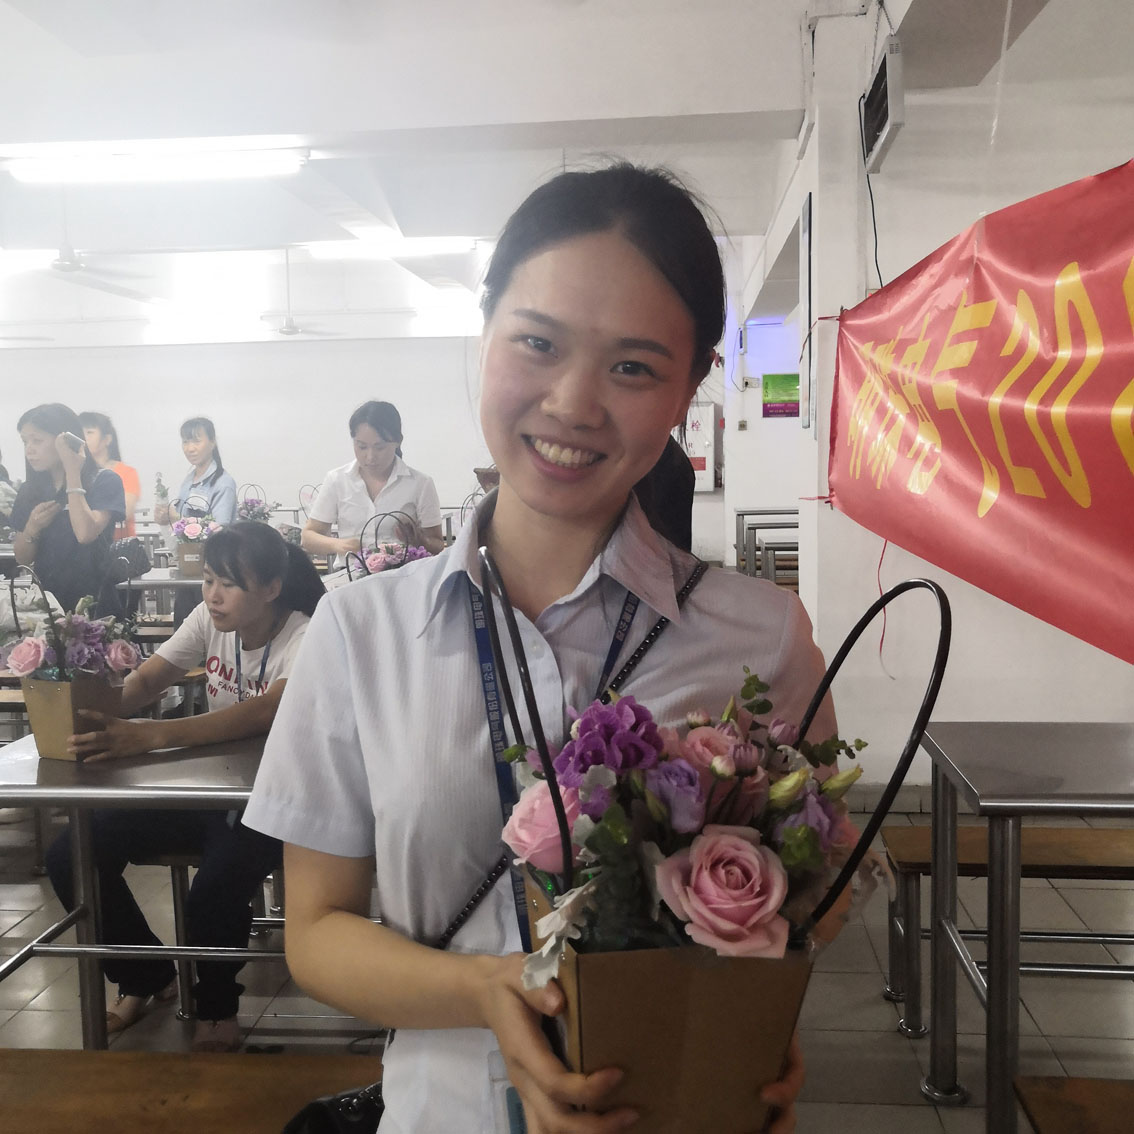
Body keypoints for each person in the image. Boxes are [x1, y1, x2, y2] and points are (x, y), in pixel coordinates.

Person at [244, 165, 828, 1132]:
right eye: (538, 343)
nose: (573, 403)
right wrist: (488, 990)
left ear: (688, 391)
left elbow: (812, 888)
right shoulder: (360, 634)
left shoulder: (763, 637)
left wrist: (756, 1016)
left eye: (633, 367)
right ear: (484, 335)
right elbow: (314, 932)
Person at [45, 522, 325, 1052]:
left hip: (274, 799)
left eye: (229, 584)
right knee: (71, 856)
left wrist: (151, 736)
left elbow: (266, 711)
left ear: (271, 588)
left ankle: (216, 1010)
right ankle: (146, 977)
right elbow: (148, 681)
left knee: (215, 887)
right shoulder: (207, 619)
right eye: (209, 579)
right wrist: (86, 715)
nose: (213, 595)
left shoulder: (306, 635)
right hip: (209, 790)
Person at [9, 403, 125, 613]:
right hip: (47, 604)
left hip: (96, 602)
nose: (29, 449)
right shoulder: (30, 490)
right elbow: (22, 558)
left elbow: (85, 534)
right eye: (25, 441)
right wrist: (32, 527)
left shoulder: (105, 480)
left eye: (37, 440)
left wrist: (72, 470)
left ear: (65, 440)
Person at [301, 400, 444, 566]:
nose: (370, 457)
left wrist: (418, 539)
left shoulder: (420, 484)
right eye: (362, 447)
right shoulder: (337, 480)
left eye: (380, 447)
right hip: (351, 575)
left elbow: (438, 546)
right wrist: (340, 545)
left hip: (403, 576)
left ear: (398, 441)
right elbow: (308, 538)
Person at [155, 417, 237, 526]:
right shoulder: (189, 480)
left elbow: (219, 529)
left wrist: (177, 517)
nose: (190, 449)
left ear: (212, 442)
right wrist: (165, 518)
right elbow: (181, 520)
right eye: (185, 442)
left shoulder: (223, 484)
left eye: (196, 441)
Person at [79, 411, 141, 539]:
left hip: (116, 544)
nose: (83, 437)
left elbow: (126, 510)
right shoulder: (76, 472)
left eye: (89, 432)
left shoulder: (126, 473)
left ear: (106, 439)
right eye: (80, 432)